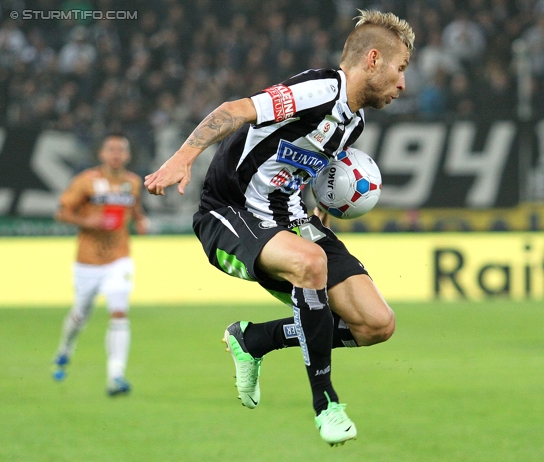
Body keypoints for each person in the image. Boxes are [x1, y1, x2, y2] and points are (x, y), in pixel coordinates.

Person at [144, 10, 414, 446]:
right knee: (310, 263)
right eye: (400, 69)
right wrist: (183, 158)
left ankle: (254, 339)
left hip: (290, 218)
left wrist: (320, 218)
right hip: (229, 213)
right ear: (373, 59)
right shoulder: (319, 90)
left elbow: (300, 169)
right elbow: (235, 110)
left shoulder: (354, 121)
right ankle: (326, 404)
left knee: (376, 324)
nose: (403, 83)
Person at [51, 133, 148, 396]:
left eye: (121, 150)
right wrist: (87, 222)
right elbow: (61, 212)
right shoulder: (86, 181)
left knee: (119, 312)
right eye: (111, 149)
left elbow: (135, 210)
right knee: (81, 313)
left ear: (127, 156)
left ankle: (116, 376)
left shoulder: (132, 183)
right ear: (102, 154)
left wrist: (140, 221)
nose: (116, 154)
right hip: (88, 261)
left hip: (119, 258)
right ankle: (65, 348)